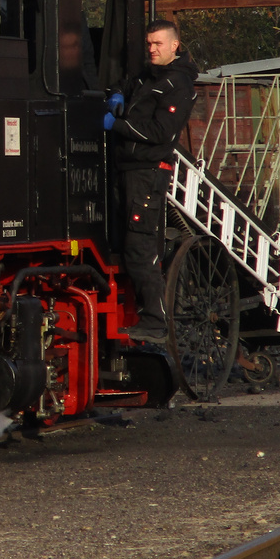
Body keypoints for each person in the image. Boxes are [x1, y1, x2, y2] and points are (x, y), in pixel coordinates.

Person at [103, 19, 198, 341]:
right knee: (125, 243)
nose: (152, 49)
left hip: (147, 173)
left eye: (158, 44)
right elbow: (123, 85)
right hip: (128, 170)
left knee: (140, 247)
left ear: (175, 45)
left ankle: (156, 321)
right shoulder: (148, 77)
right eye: (149, 44)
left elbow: (160, 132)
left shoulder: (178, 85)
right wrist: (116, 95)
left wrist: (116, 126)